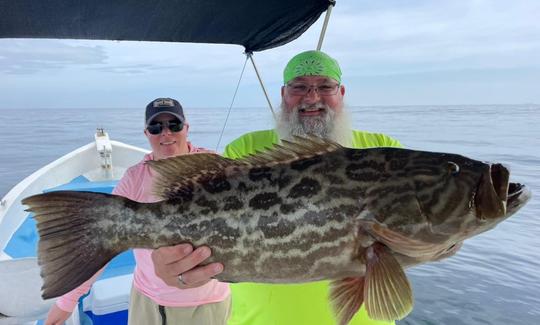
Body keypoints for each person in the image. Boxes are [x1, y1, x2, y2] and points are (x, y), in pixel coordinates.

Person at [221, 50, 402, 325]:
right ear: (284, 93)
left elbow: (416, 228)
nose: (312, 97)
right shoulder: (244, 150)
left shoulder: (385, 152)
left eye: (324, 86)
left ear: (341, 92)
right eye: (299, 87)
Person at [44, 98, 231, 325]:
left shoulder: (216, 167)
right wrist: (67, 302)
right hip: (148, 300)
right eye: (156, 127)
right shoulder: (135, 177)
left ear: (186, 128)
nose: (166, 133)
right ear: (146, 133)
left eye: (174, 125)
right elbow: (102, 238)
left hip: (207, 304)